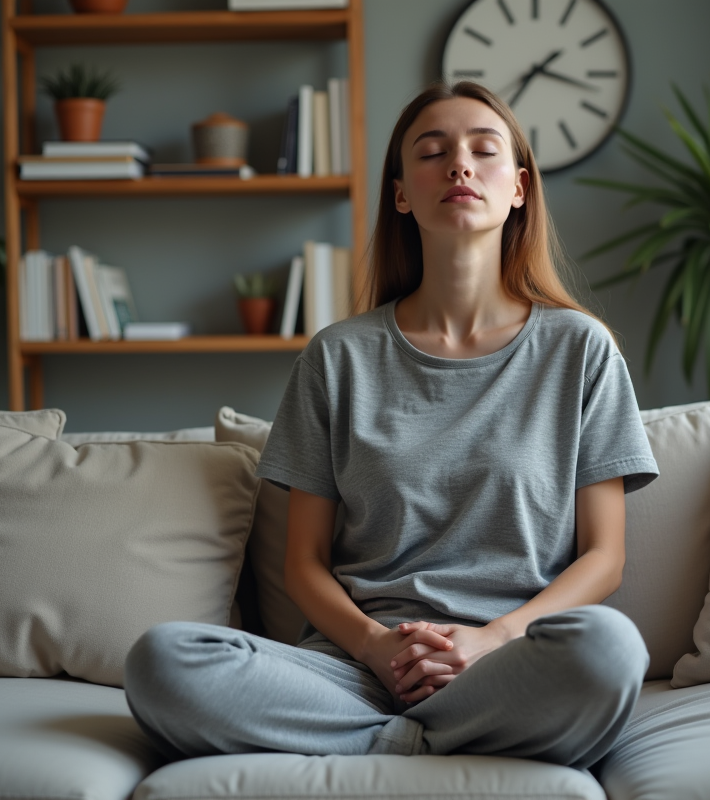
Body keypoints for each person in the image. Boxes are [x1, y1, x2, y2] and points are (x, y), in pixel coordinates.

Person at [123, 81, 659, 771]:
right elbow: (304, 564)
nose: (460, 166)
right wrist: (379, 647)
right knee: (163, 662)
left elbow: (603, 558)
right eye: (433, 153)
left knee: (609, 651)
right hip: (354, 668)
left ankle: (380, 741)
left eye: (483, 151)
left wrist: (492, 640)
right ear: (403, 193)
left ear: (519, 187)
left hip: (509, 660)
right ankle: (422, 741)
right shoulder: (338, 356)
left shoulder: (581, 350)